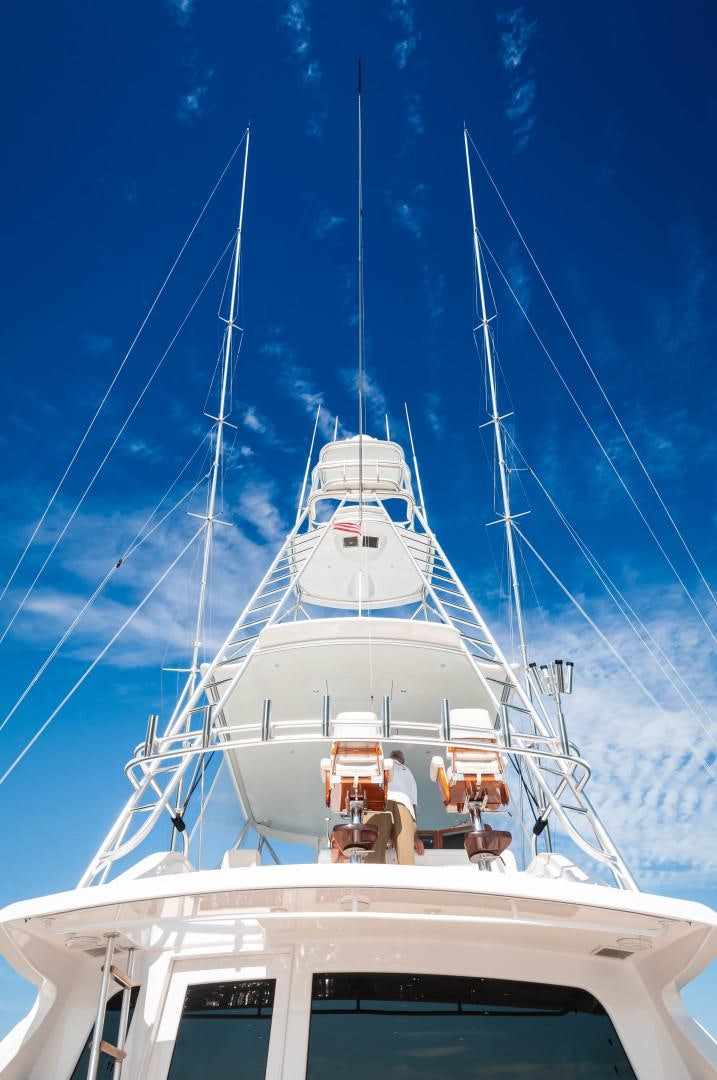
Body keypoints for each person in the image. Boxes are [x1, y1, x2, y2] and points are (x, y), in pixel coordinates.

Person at [366, 750, 425, 865]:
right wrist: (415, 838)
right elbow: (413, 806)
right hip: (403, 805)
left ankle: (370, 881)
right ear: (402, 760)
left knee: (373, 857)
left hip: (381, 803)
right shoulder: (408, 772)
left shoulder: (380, 766)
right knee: (406, 860)